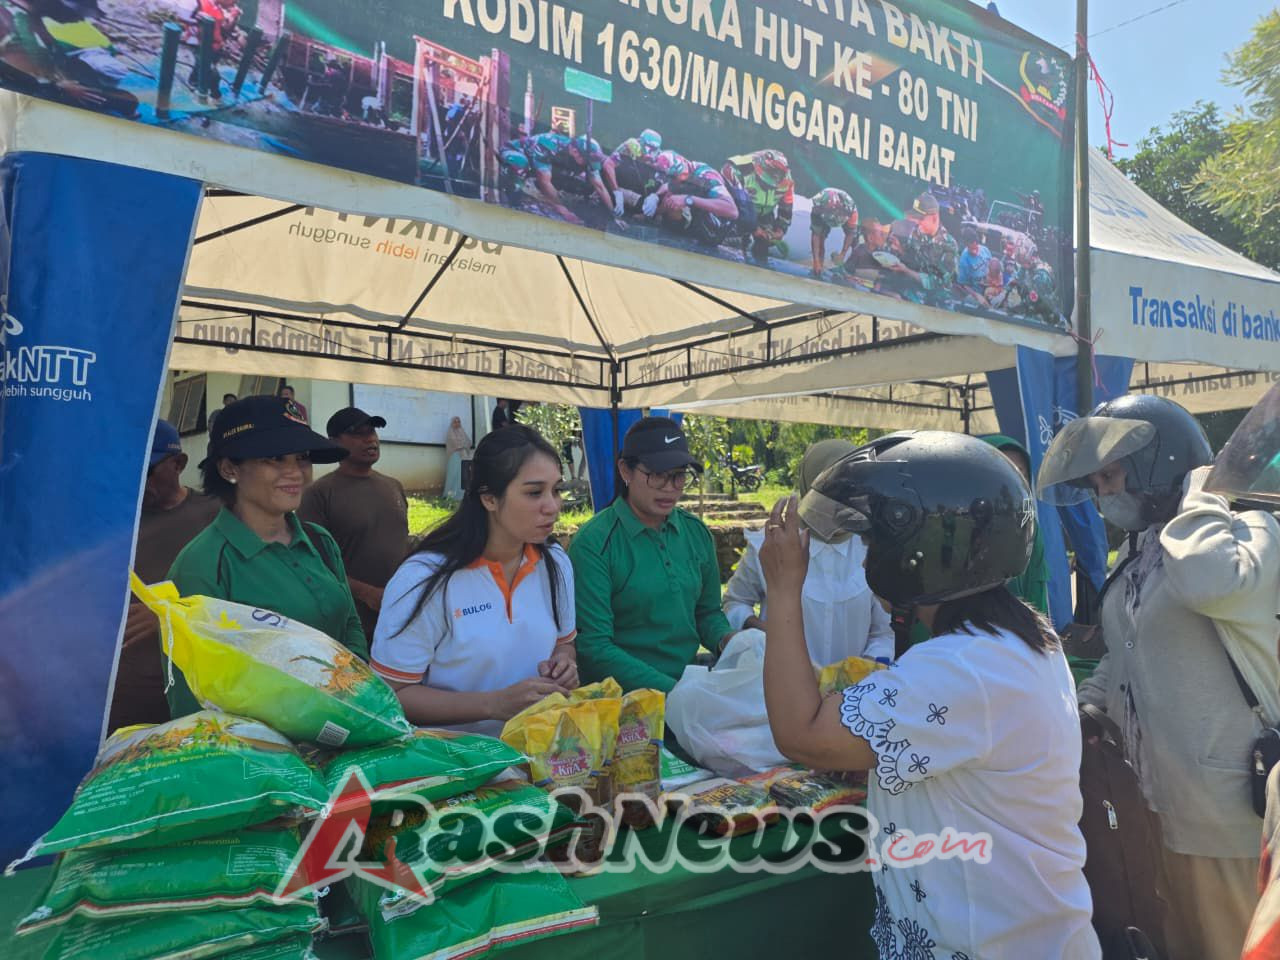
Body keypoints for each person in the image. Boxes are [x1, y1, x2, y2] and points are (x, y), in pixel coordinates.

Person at [760, 432, 1099, 958]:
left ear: (920, 546)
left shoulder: (962, 668)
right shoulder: (1020, 637)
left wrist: (783, 588)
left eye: (874, 542)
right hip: (1021, 930)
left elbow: (800, 733)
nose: (867, 556)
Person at [1038, 394, 1280, 960]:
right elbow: (1124, 651)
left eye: (1110, 475)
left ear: (1159, 463)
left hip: (1225, 813)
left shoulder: (1250, 532)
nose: (1102, 492)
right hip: (1150, 806)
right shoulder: (1147, 549)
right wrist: (1083, 709)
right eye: (1095, 482)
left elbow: (1210, 582)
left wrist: (1204, 491)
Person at [165, 395, 365, 718]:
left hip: (342, 729)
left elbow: (349, 623)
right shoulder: (202, 565)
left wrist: (353, 695)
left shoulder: (320, 541)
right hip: (258, 746)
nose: (295, 472)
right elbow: (195, 696)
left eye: (302, 458)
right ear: (229, 468)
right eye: (274, 458)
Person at [370, 424, 577, 736]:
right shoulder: (424, 580)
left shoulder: (555, 562)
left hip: (540, 749)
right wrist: (493, 704)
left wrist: (563, 665)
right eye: (534, 493)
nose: (553, 507)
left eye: (556, 490)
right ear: (489, 498)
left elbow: (564, 644)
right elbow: (390, 695)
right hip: (453, 757)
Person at [570, 417, 733, 693]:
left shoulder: (696, 533)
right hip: (619, 700)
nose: (670, 487)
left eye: (679, 475)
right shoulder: (594, 543)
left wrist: (727, 640)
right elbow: (594, 648)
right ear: (625, 470)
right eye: (657, 474)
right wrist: (675, 693)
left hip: (688, 685)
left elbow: (706, 613)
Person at [723, 439, 892, 666]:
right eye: (835, 491)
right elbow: (735, 603)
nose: (846, 502)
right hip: (780, 681)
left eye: (854, 490)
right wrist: (763, 631)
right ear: (812, 488)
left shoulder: (871, 548)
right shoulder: (772, 544)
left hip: (853, 686)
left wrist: (864, 669)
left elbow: (883, 632)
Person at [110, 419, 220, 732]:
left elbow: (240, 598)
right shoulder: (113, 523)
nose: (137, 481)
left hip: (198, 688)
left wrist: (168, 615)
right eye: (128, 469)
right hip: (127, 693)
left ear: (179, 463)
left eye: (147, 470)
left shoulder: (216, 516)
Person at [299, 406, 409, 643]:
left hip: (400, 616)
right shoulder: (319, 494)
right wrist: (367, 593)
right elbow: (311, 565)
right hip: (350, 624)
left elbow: (402, 543)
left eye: (372, 431)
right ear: (334, 442)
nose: (370, 439)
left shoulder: (393, 486)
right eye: (359, 433)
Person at [981, 434, 1050, 615]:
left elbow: (1036, 592)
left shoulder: (1030, 527)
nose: (1011, 482)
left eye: (1020, 474)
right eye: (1003, 472)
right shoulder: (962, 526)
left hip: (1018, 627)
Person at [500, 132, 611, 223]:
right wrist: (565, 212)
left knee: (581, 185)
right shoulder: (548, 144)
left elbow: (600, 187)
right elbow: (544, 182)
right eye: (588, 161)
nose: (590, 165)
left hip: (543, 168)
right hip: (516, 153)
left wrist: (614, 214)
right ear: (575, 152)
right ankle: (512, 200)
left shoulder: (584, 156)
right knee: (520, 163)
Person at [721, 149, 794, 264]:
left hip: (765, 212)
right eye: (765, 184)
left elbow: (786, 207)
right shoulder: (738, 169)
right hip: (735, 209)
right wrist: (754, 228)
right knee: (734, 242)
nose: (769, 185)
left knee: (764, 245)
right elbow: (739, 204)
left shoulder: (787, 180)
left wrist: (780, 230)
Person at [885, 192, 959, 303]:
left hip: (936, 301)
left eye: (921, 219)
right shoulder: (917, 232)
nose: (916, 222)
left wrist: (906, 270)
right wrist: (900, 249)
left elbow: (938, 282)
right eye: (916, 218)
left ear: (934, 218)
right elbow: (915, 261)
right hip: (912, 292)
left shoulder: (949, 245)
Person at [651, 152, 739, 245]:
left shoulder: (707, 177)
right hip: (698, 218)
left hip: (718, 229)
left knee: (679, 205)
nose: (670, 181)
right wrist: (653, 209)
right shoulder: (680, 176)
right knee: (673, 203)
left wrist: (688, 199)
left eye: (671, 177)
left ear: (682, 173)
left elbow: (732, 211)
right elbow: (669, 196)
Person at [602, 128, 662, 216]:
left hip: (642, 192)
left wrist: (655, 196)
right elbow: (608, 165)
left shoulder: (660, 158)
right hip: (621, 185)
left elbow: (666, 182)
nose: (650, 152)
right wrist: (616, 192)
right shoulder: (629, 146)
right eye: (648, 147)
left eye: (654, 149)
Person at [807, 188, 859, 277]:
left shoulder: (852, 211)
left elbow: (850, 234)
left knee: (854, 240)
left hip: (839, 211)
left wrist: (843, 254)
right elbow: (816, 235)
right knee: (820, 238)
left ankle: (850, 269)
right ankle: (818, 268)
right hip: (825, 211)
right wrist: (816, 261)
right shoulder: (818, 208)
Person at [955, 226, 993, 299]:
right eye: (971, 249)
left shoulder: (985, 250)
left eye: (976, 248)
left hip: (990, 287)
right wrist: (976, 296)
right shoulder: (964, 260)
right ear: (966, 245)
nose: (974, 252)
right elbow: (963, 285)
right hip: (976, 292)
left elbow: (993, 268)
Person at [443, 415, 472, 501]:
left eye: (459, 422)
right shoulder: (450, 432)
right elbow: (455, 444)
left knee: (462, 475)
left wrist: (464, 445)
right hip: (455, 456)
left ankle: (461, 494)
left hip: (463, 456)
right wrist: (463, 445)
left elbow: (469, 442)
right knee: (454, 475)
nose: (457, 423)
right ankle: (450, 494)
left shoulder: (462, 431)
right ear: (452, 423)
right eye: (455, 422)